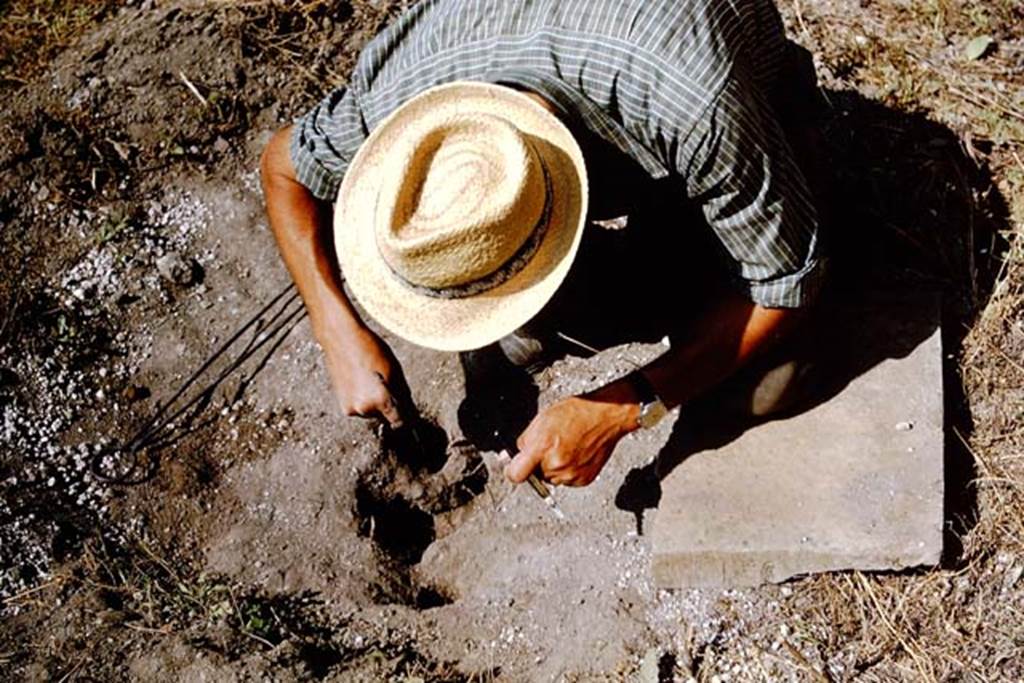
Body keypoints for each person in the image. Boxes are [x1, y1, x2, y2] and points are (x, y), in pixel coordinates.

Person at [260, 0, 826, 489]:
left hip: (750, 105)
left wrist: (623, 407)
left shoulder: (694, 103)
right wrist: (336, 331)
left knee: (771, 380)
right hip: (617, 124)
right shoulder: (399, 103)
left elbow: (782, 287)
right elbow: (282, 166)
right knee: (602, 309)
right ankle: (584, 302)